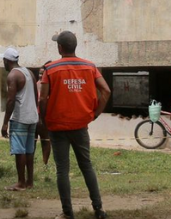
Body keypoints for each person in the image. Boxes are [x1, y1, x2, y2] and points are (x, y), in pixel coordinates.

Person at [40, 31, 111, 219]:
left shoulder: (50, 69)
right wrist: (95, 114)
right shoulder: (89, 67)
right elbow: (106, 90)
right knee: (86, 165)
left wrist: (44, 118)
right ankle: (99, 209)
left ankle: (67, 212)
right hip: (80, 125)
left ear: (60, 48)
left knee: (62, 169)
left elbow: (43, 98)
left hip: (57, 126)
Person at [0, 47, 38, 191]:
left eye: (3, 60)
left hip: (20, 117)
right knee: (29, 150)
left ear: (7, 60)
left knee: (19, 151)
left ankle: (21, 182)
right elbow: (35, 95)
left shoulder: (12, 76)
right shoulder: (29, 73)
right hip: (32, 117)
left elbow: (11, 101)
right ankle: (30, 181)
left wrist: (5, 123)